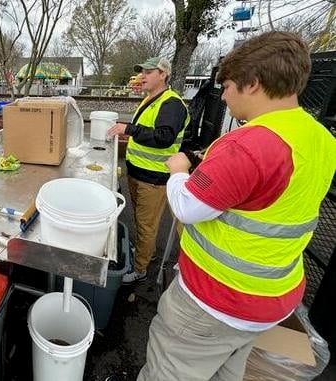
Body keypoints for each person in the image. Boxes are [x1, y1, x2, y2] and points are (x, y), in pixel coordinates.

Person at [139, 31, 336, 380]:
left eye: (228, 87)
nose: (225, 98)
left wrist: (180, 172)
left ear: (253, 83)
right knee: (225, 371)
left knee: (169, 369)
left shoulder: (248, 144)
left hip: (217, 297)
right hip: (272, 297)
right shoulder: (319, 136)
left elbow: (187, 207)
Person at [107, 57, 189, 284]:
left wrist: (128, 129)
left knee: (146, 224)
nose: (142, 76)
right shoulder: (151, 100)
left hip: (153, 179)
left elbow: (164, 137)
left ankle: (141, 268)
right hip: (139, 173)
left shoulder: (171, 104)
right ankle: (146, 252)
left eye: (149, 72)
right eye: (142, 71)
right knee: (142, 220)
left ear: (163, 74)